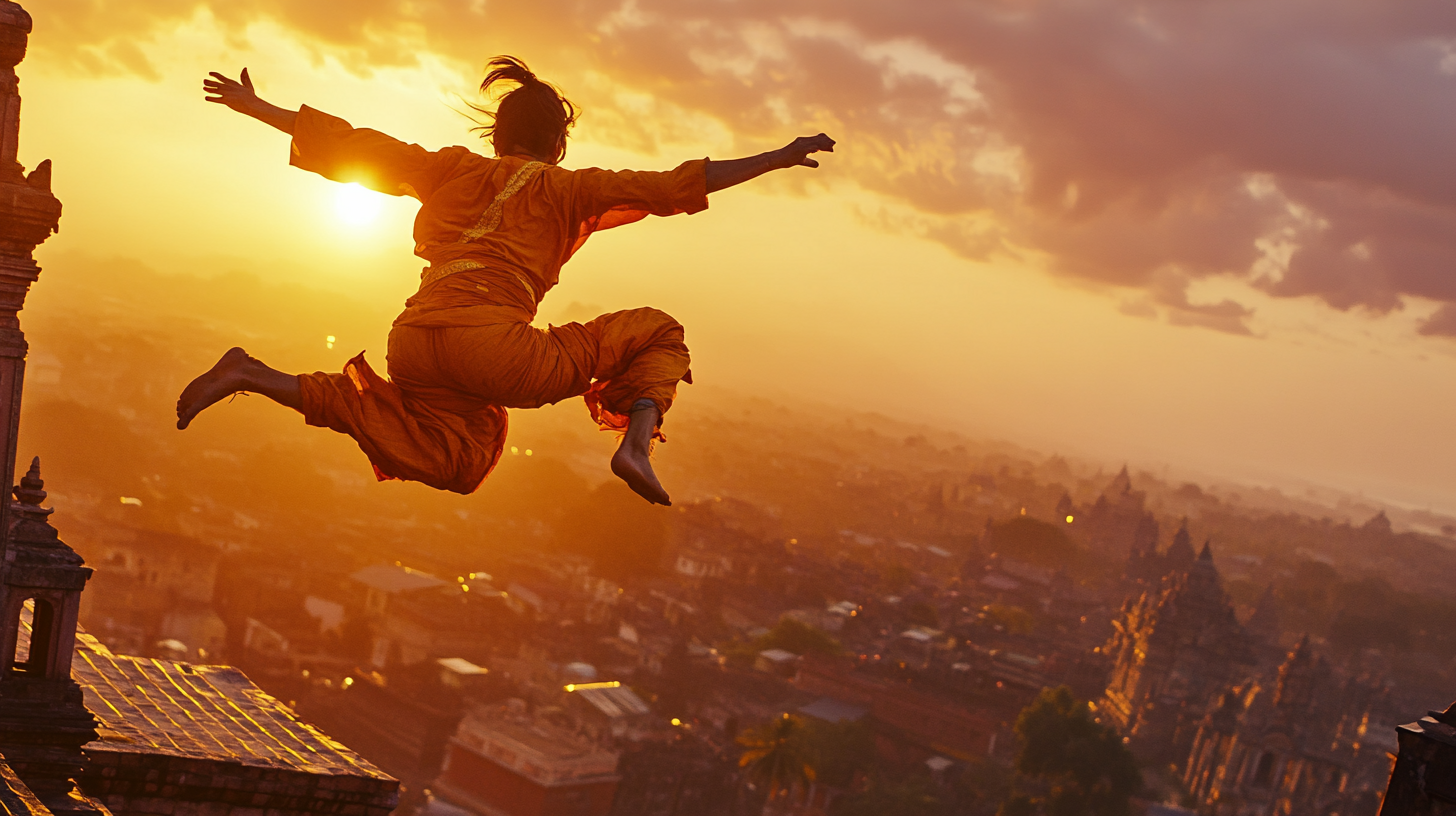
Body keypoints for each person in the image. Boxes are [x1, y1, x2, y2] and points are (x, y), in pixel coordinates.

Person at [177, 57, 834, 506]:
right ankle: (636, 446)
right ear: (559, 144)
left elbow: (357, 146)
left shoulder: (451, 169)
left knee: (461, 458)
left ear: (497, 137)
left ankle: (253, 374)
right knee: (659, 332)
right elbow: (674, 186)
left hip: (414, 341)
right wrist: (776, 158)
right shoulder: (571, 187)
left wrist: (254, 104)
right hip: (495, 348)